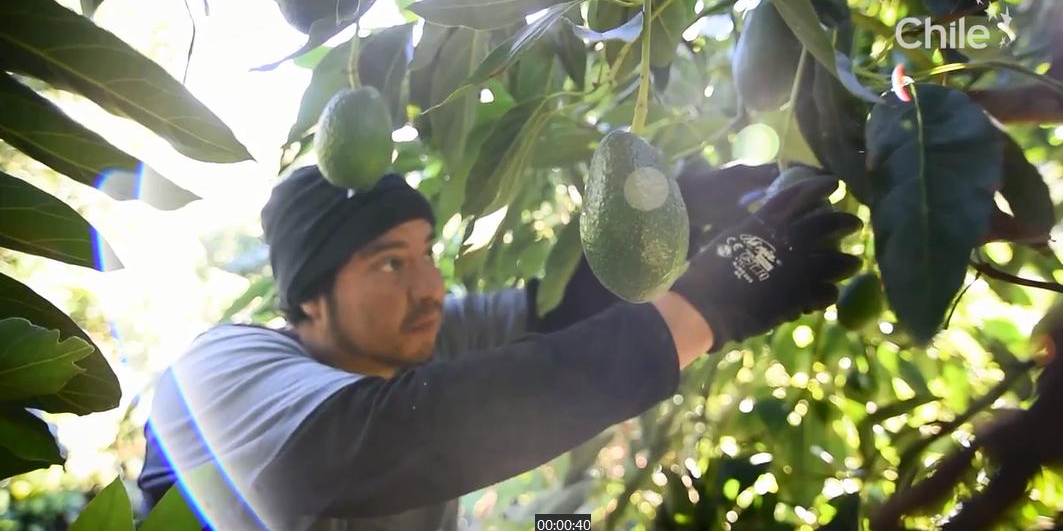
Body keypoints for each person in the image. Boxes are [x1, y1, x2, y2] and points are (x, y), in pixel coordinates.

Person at [136, 162, 861, 530]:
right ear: (307, 297)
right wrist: (708, 302)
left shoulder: (423, 336)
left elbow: (555, 323)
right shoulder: (214, 375)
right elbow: (389, 435)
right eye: (390, 262)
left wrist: (661, 207)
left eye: (426, 253)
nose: (429, 287)